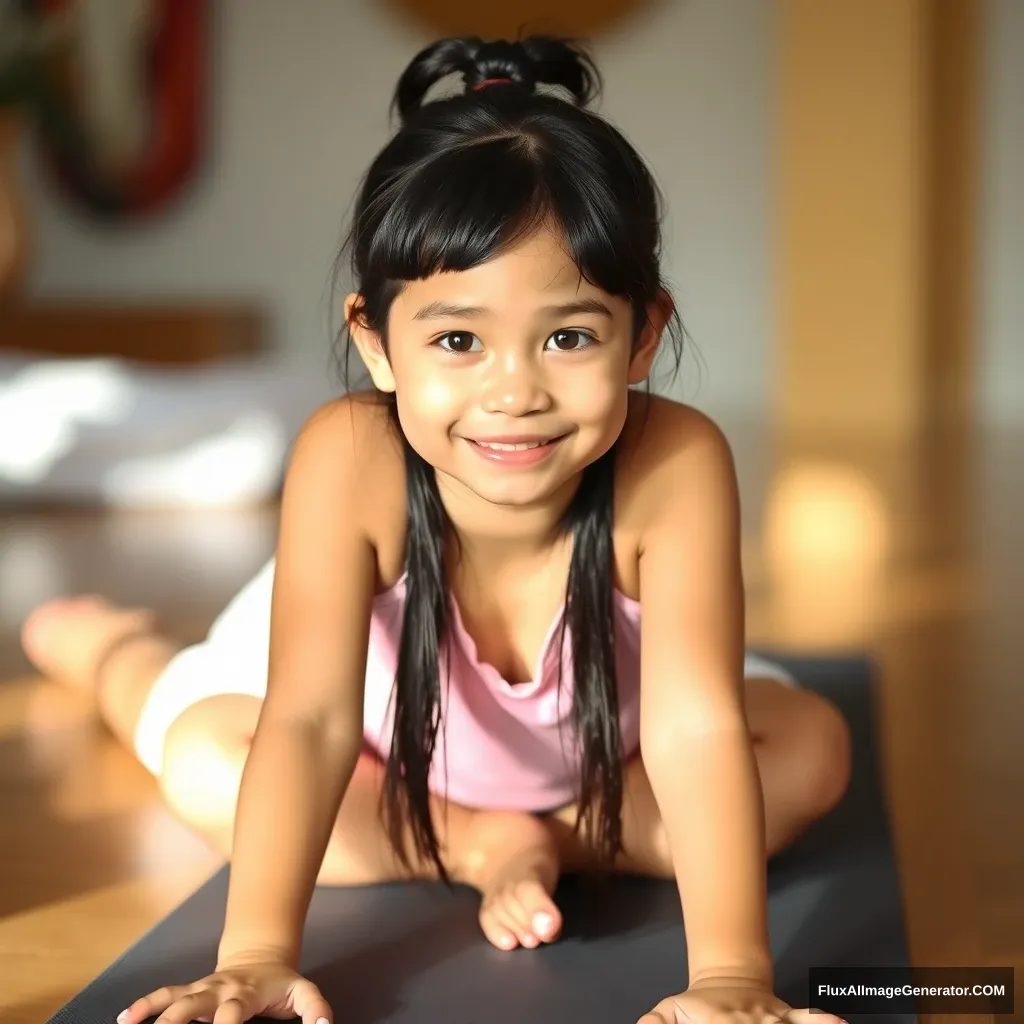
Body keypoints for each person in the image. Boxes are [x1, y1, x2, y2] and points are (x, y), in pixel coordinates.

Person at [21, 35, 852, 1024]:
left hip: (601, 761)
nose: (514, 391)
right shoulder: (350, 456)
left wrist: (728, 976)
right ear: (375, 341)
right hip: (386, 749)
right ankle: (120, 651)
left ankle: (521, 834)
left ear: (643, 337)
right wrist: (251, 957)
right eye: (458, 339)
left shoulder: (676, 463)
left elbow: (693, 724)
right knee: (202, 758)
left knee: (808, 753)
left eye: (569, 336)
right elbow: (308, 722)